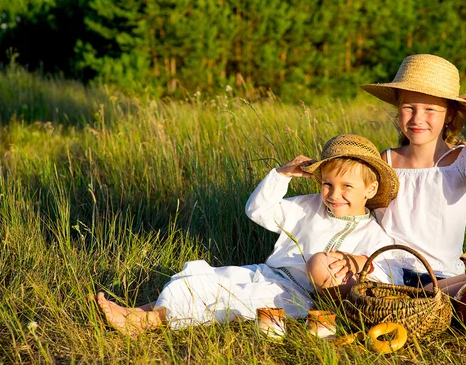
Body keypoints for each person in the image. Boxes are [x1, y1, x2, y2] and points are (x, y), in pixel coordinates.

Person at [90, 134, 402, 336]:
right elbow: (258, 210)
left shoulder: (373, 232)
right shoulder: (307, 207)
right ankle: (139, 312)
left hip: (298, 296)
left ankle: (148, 321)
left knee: (232, 299)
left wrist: (365, 264)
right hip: (269, 273)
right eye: (327, 184)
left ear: (370, 189)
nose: (335, 195)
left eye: (347, 187)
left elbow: (392, 271)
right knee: (210, 279)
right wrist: (281, 174)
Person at [360, 54, 466, 296]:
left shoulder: (462, 159)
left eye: (430, 109)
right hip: (388, 272)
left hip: (443, 276)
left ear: (450, 116)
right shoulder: (386, 160)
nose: (417, 118)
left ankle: (426, 297)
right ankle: (415, 300)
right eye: (408, 108)